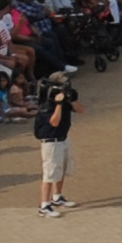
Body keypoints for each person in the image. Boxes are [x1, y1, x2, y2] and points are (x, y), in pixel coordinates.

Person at [30, 73, 79, 220]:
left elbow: (81, 110)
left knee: (62, 169)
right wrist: (58, 104)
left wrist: (71, 100)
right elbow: (54, 122)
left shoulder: (65, 102)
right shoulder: (47, 105)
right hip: (51, 143)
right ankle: (44, 205)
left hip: (63, 139)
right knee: (49, 174)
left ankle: (57, 197)